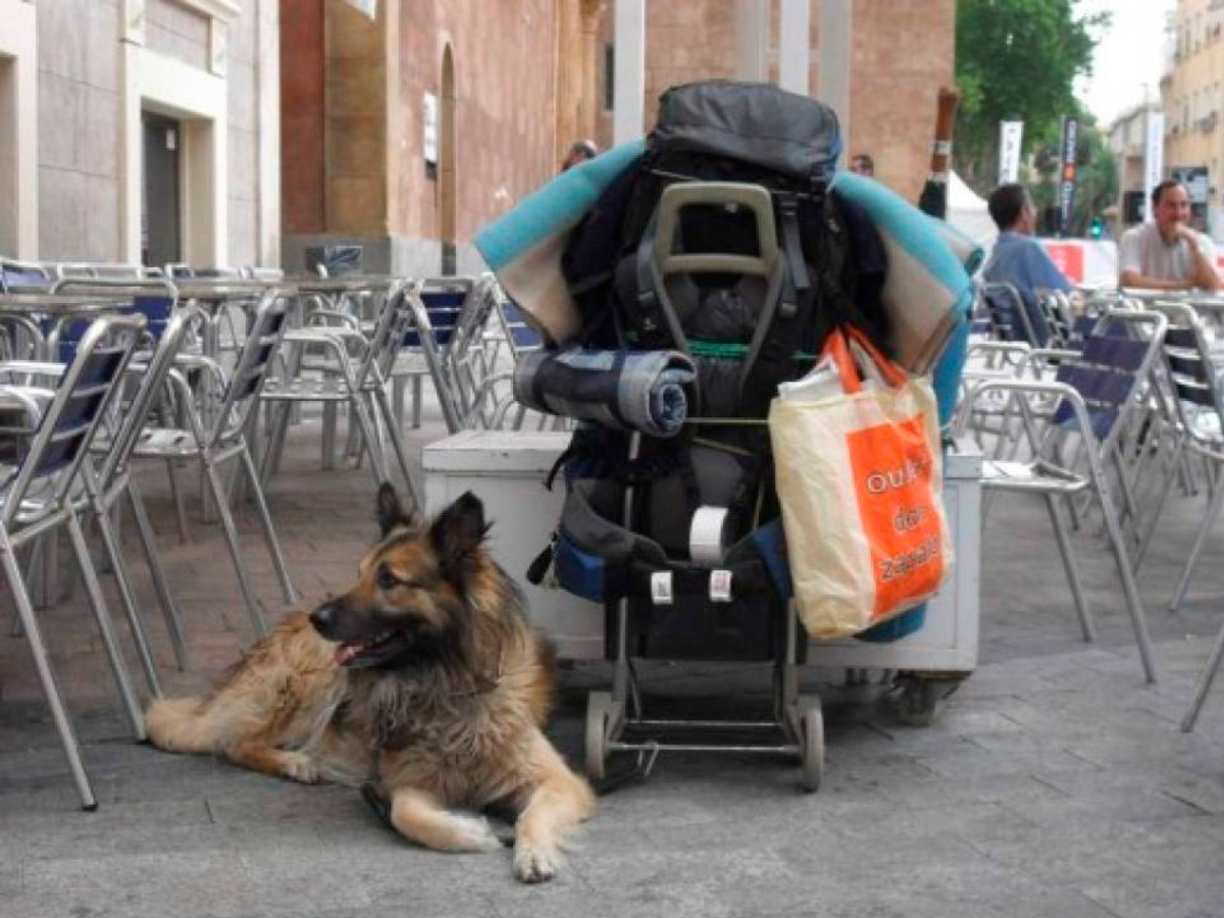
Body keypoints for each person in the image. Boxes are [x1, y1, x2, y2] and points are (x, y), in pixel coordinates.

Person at [981, 182, 1074, 345]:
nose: (1035, 212)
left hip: (1016, 344)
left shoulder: (995, 257)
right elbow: (1063, 296)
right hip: (1046, 344)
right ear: (1024, 212)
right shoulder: (1028, 249)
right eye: (1032, 207)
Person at [1118, 180, 1221, 291]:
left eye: (1184, 205)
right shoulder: (1134, 237)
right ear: (1155, 209)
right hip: (1145, 307)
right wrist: (1184, 285)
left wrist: (1194, 247)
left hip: (1190, 308)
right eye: (1171, 205)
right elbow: (1129, 280)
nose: (1178, 213)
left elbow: (1214, 285)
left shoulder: (1201, 241)